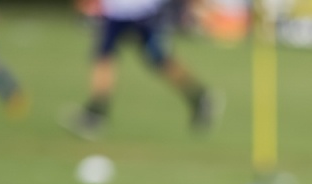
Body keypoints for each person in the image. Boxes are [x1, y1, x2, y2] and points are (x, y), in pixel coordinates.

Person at [61, 0, 216, 140]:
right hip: (118, 11)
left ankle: (199, 97)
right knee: (104, 57)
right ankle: (96, 113)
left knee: (159, 61)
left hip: (141, 12)